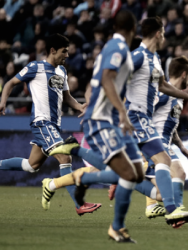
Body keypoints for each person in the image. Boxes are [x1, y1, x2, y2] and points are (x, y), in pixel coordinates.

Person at [49, 10, 143, 243]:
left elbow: (95, 82)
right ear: (133, 29)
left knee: (138, 172)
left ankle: (83, 178)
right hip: (103, 121)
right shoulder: (118, 48)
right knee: (128, 174)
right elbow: (106, 79)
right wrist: (122, 111)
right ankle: (117, 228)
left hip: (108, 118)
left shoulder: (112, 50)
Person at [0, 34, 101, 216]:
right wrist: (3, 102)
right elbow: (10, 83)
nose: (67, 55)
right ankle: (79, 204)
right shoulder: (35, 67)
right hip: (42, 123)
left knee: (32, 165)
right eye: (64, 51)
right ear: (53, 50)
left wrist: (79, 106)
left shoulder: (62, 71)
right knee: (65, 158)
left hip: (54, 125)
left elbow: (67, 97)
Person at [124, 17, 188, 227]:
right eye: (163, 32)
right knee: (163, 165)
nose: (164, 36)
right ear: (158, 34)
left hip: (147, 125)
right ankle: (169, 208)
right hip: (136, 118)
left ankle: (171, 209)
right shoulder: (137, 56)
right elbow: (113, 77)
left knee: (167, 166)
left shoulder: (155, 59)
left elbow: (161, 84)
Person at [110, 56, 188, 223]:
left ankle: (174, 208)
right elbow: (142, 112)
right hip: (154, 140)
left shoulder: (177, 97)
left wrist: (181, 145)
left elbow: (171, 125)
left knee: (178, 175)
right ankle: (175, 209)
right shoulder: (164, 94)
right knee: (175, 175)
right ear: (184, 74)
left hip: (165, 141)